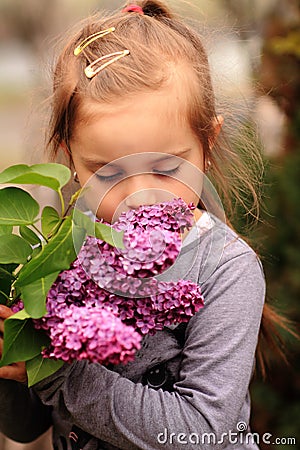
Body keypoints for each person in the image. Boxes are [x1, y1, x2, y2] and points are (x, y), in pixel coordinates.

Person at [0, 1, 281, 449]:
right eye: (109, 174)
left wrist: (63, 373)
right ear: (68, 156)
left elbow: (204, 433)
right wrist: (15, 360)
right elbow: (24, 427)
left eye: (167, 169)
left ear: (207, 143)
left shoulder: (225, 269)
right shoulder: (60, 249)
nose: (141, 194)